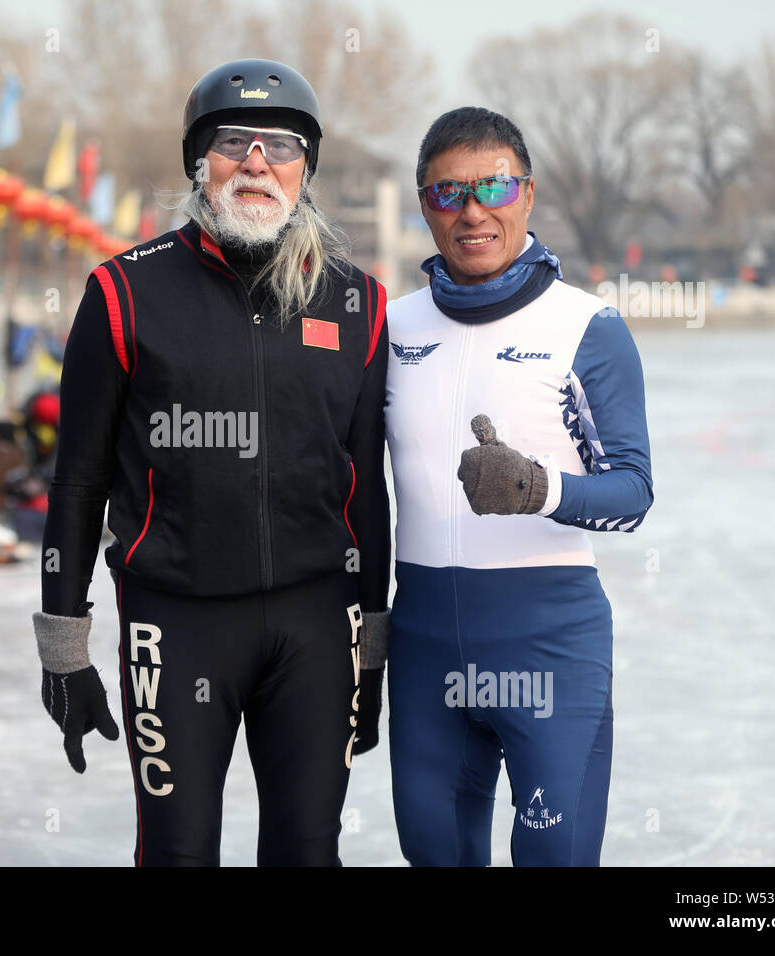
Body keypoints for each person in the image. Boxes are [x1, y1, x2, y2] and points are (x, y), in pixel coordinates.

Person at [32, 58, 391, 866]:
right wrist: (64, 645)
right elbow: (79, 480)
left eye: (282, 145)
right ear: (200, 160)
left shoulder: (357, 302)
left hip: (314, 625)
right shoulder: (124, 293)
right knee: (177, 854)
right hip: (176, 620)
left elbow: (369, 490)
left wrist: (372, 639)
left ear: (307, 168)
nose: (257, 161)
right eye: (234, 141)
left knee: (307, 853)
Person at [384, 107, 654, 866]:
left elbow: (632, 492)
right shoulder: (392, 328)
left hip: (549, 648)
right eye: (446, 194)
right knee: (435, 854)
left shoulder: (587, 326)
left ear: (527, 195)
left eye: (493, 186)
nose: (472, 211)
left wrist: (538, 488)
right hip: (425, 648)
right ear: (425, 208)